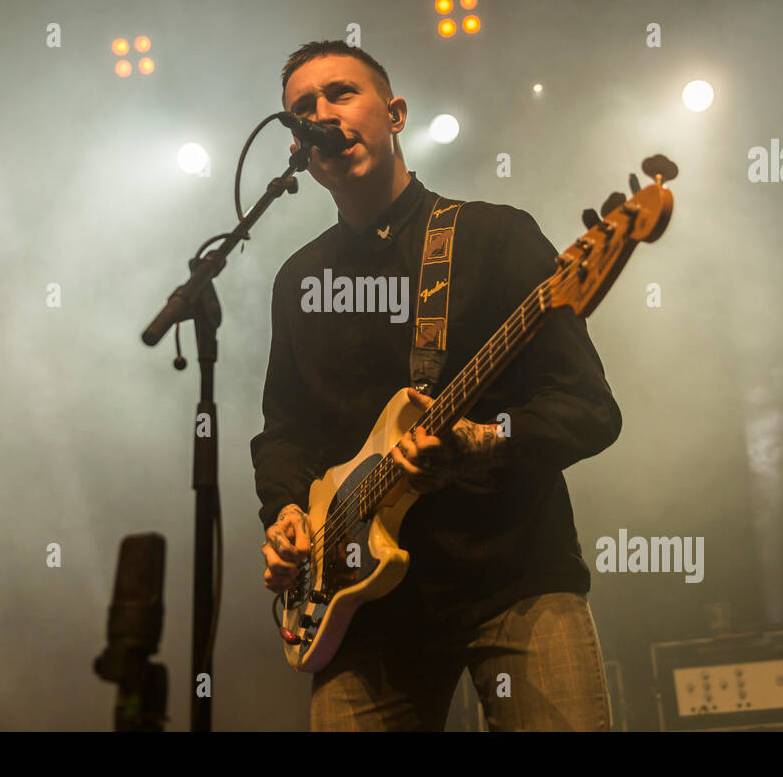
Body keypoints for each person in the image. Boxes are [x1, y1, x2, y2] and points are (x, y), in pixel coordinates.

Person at [251, 39, 622, 731]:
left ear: (394, 113)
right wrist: (286, 513)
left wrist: (487, 439)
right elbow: (285, 432)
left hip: (512, 581)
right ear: (298, 147)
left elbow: (589, 409)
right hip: (359, 607)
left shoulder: (495, 237)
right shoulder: (301, 281)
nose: (322, 113)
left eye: (341, 93)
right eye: (304, 108)